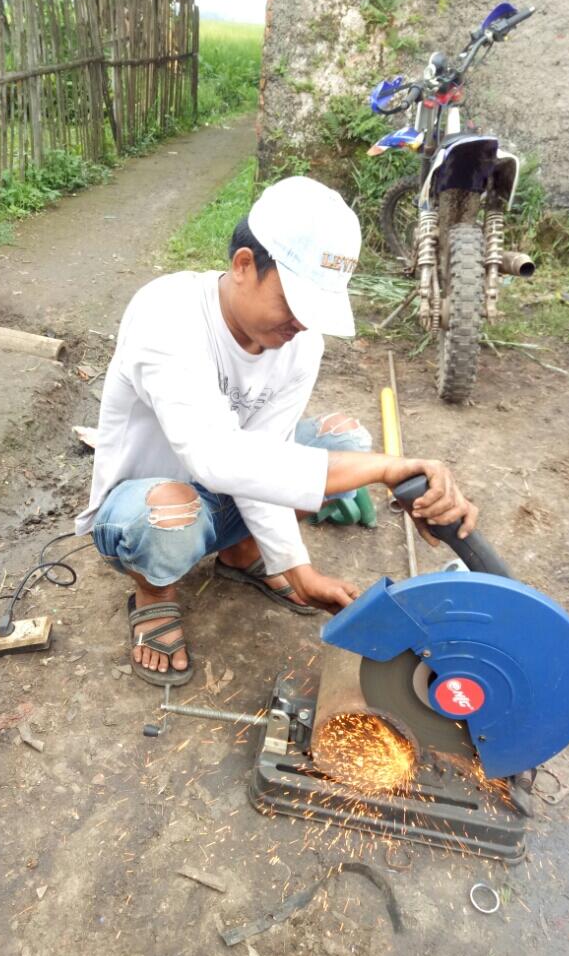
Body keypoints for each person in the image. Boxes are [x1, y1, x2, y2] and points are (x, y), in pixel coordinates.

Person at [75, 176, 478, 686]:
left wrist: (295, 566)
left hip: (224, 491)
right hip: (147, 507)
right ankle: (154, 593)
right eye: (293, 304)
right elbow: (216, 458)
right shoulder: (167, 314)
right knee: (168, 512)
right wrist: (384, 469)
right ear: (244, 265)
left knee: (342, 439)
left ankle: (241, 553)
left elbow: (267, 453)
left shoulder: (298, 344)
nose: (301, 325)